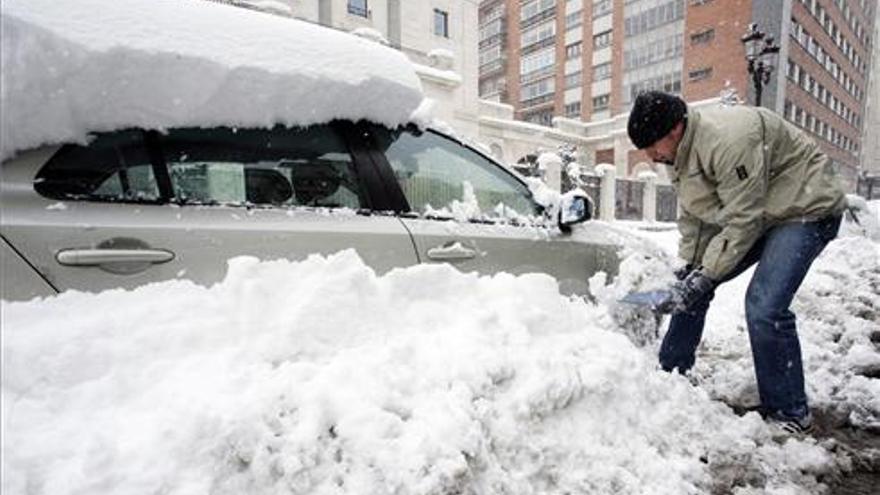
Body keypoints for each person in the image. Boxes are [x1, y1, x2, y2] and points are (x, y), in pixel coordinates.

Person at [626, 91, 846, 434]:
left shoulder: (728, 141)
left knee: (764, 306)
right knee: (694, 285)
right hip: (763, 211)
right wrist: (691, 270)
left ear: (674, 129)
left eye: (652, 147)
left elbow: (742, 221)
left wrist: (706, 274)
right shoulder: (680, 156)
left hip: (805, 208)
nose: (651, 157)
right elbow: (696, 217)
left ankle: (789, 411)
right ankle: (672, 373)